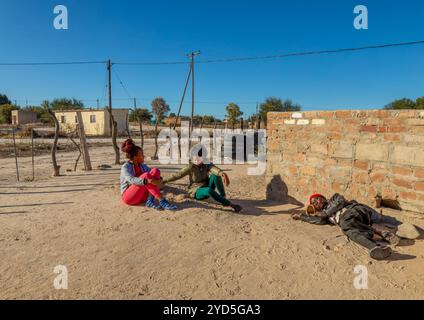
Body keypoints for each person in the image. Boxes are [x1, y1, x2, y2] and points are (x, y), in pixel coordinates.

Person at [292, 193, 401, 260]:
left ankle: (377, 232)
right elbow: (318, 221)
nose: (316, 202)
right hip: (353, 222)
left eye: (317, 199)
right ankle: (375, 247)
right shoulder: (325, 217)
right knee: (350, 232)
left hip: (355, 211)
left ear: (323, 198)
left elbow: (340, 202)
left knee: (345, 226)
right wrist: (302, 216)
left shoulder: (334, 198)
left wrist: (325, 213)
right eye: (314, 203)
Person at [162, 147, 242, 213]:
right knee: (209, 190)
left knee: (215, 176)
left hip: (206, 184)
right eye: (194, 157)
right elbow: (178, 175)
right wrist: (165, 180)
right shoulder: (190, 167)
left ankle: (223, 197)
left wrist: (222, 173)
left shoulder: (206, 163)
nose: (196, 159)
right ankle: (231, 205)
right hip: (196, 190)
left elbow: (213, 168)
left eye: (199, 157)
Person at [120, 139, 177, 210]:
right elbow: (131, 180)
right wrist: (147, 181)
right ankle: (162, 200)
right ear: (135, 157)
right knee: (146, 175)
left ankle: (150, 200)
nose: (144, 156)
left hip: (143, 197)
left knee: (156, 170)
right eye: (141, 154)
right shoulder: (125, 167)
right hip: (129, 198)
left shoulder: (142, 166)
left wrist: (160, 180)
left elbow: (154, 175)